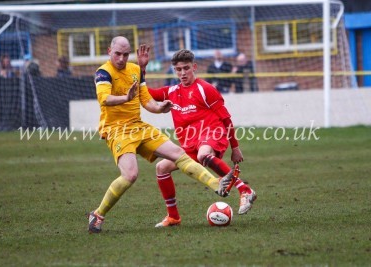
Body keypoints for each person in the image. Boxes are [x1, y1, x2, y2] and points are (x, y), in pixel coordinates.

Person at [88, 36, 236, 234]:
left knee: (178, 154)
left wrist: (160, 108)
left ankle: (217, 185)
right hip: (117, 130)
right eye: (118, 54)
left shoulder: (135, 71)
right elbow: (104, 99)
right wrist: (126, 97)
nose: (122, 58)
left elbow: (147, 101)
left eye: (125, 54)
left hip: (139, 126)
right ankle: (97, 214)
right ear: (109, 51)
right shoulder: (103, 73)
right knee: (130, 175)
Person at [143, 49, 257, 227]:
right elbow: (146, 93)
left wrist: (235, 147)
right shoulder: (172, 91)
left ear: (194, 67)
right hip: (191, 143)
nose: (182, 73)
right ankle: (173, 217)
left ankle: (245, 190)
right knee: (162, 167)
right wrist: (141, 69)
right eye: (178, 69)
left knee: (204, 154)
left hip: (213, 133)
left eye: (186, 68)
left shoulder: (206, 89)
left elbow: (226, 119)